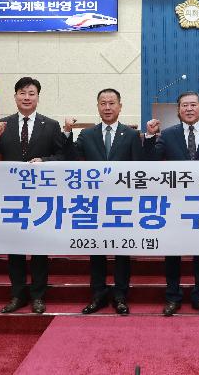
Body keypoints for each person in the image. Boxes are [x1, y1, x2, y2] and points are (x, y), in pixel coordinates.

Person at [0, 77, 72, 314]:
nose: (26, 97)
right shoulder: (2, 124)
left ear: (37, 97)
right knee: (15, 249)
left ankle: (38, 296)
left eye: (31, 93)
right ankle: (17, 295)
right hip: (11, 197)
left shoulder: (50, 125)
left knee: (39, 248)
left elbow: (63, 156)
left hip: (40, 195)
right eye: (22, 93)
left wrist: (44, 161)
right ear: (15, 97)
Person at [144, 91, 199, 316]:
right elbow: (150, 163)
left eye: (193, 105)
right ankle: (172, 296)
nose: (189, 109)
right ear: (178, 110)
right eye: (184, 106)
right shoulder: (167, 135)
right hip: (175, 204)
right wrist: (150, 138)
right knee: (173, 252)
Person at [64, 88, 142, 315]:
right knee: (96, 250)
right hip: (94, 203)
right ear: (97, 106)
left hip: (122, 204)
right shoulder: (87, 135)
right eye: (103, 103)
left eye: (111, 103)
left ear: (120, 106)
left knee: (121, 251)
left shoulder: (130, 135)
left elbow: (138, 169)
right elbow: (71, 159)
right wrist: (68, 132)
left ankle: (120, 295)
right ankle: (97, 294)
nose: (107, 107)